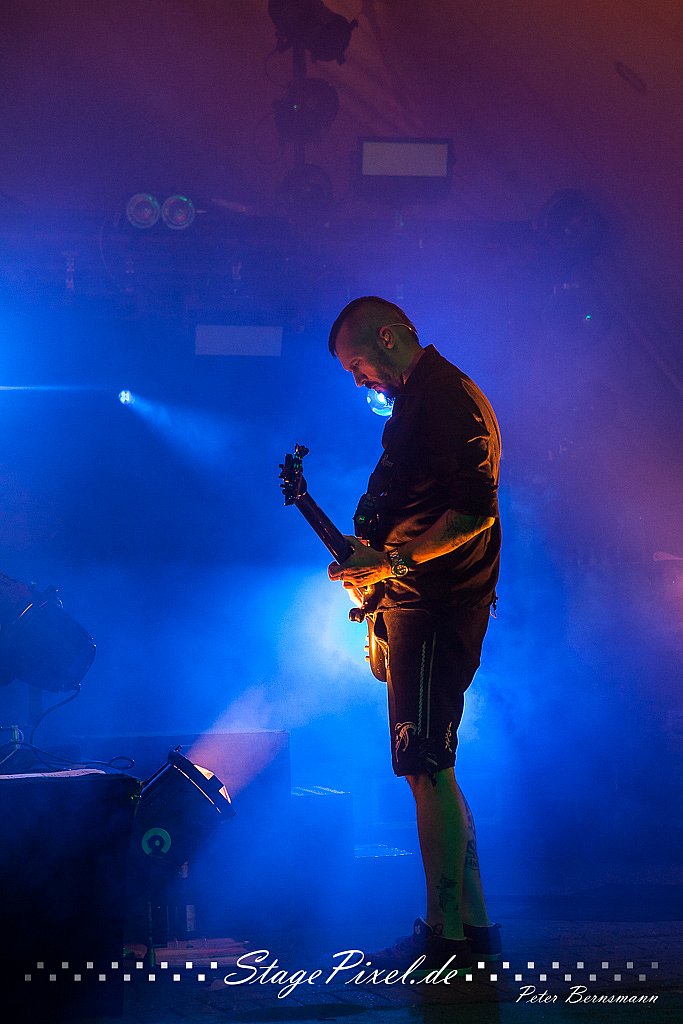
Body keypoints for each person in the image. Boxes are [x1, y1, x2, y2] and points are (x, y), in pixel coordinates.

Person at [327, 296, 502, 974]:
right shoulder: (422, 400)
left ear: (389, 336)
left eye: (358, 364)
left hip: (435, 604)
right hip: (417, 601)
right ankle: (471, 931)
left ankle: (444, 939)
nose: (358, 380)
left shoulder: (446, 397)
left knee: (424, 767)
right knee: (434, 768)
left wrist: (392, 564)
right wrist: (370, 563)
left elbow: (474, 513)